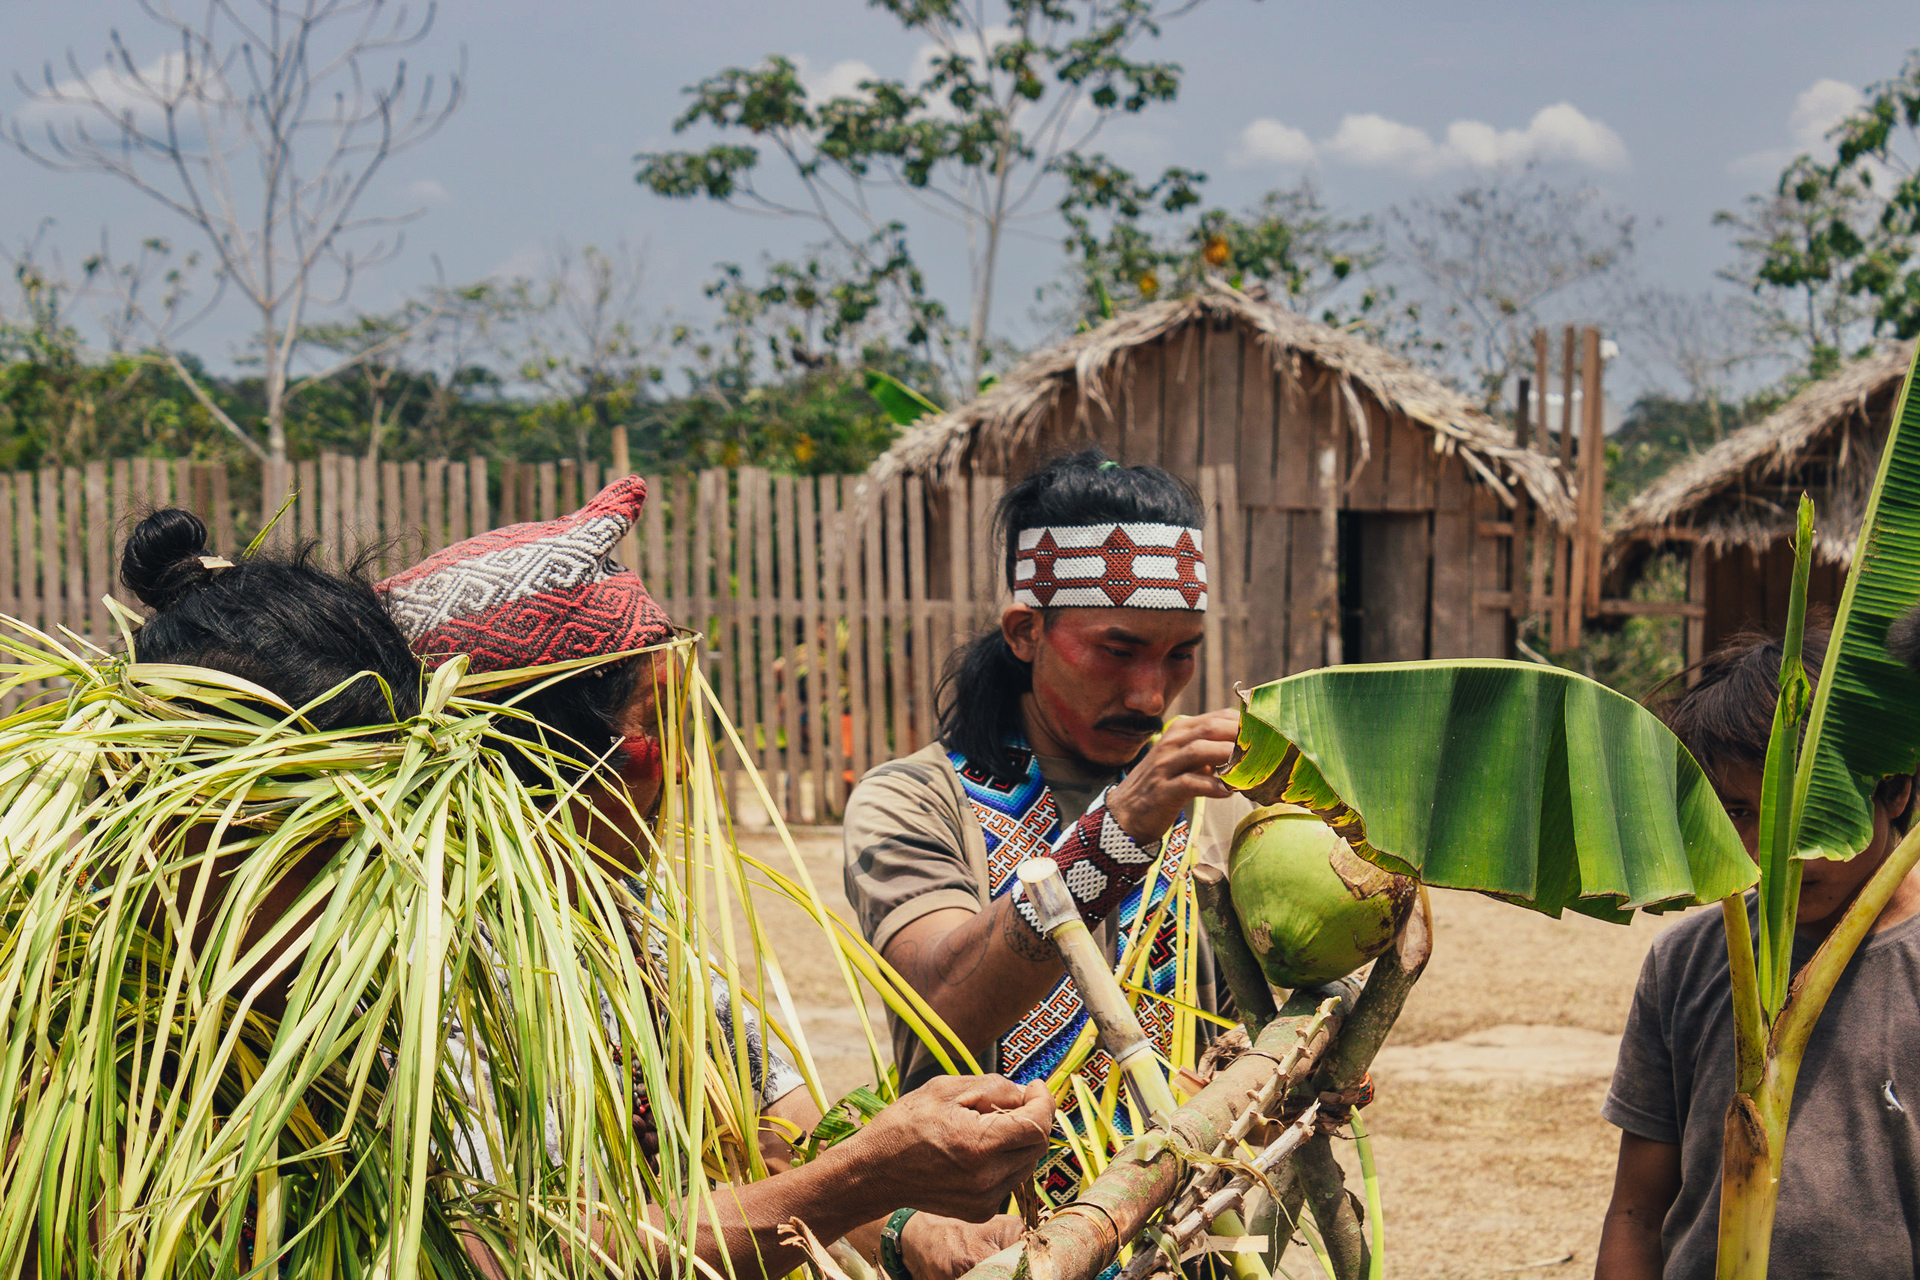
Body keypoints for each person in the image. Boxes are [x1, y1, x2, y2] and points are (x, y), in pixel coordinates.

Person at [376, 476, 1046, 1280]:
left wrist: (921, 1234)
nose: (687, 764)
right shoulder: (421, 972)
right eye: (663, 726)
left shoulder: (628, 925)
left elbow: (783, 1134)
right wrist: (863, 1174)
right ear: (568, 758)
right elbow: (518, 1251)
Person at [840, 448, 1247, 1203]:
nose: (1150, 694)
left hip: (1186, 1228)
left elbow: (1248, 1017)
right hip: (992, 1242)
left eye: (1181, 656)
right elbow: (943, 1002)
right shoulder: (913, 801)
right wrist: (1119, 830)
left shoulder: (1210, 801)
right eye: (1116, 651)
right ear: (1026, 632)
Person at [1594, 623, 1920, 1280]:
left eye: (1808, 812)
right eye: (1740, 812)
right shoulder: (1686, 960)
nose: (1776, 851)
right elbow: (1636, 1208)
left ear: (1893, 791)